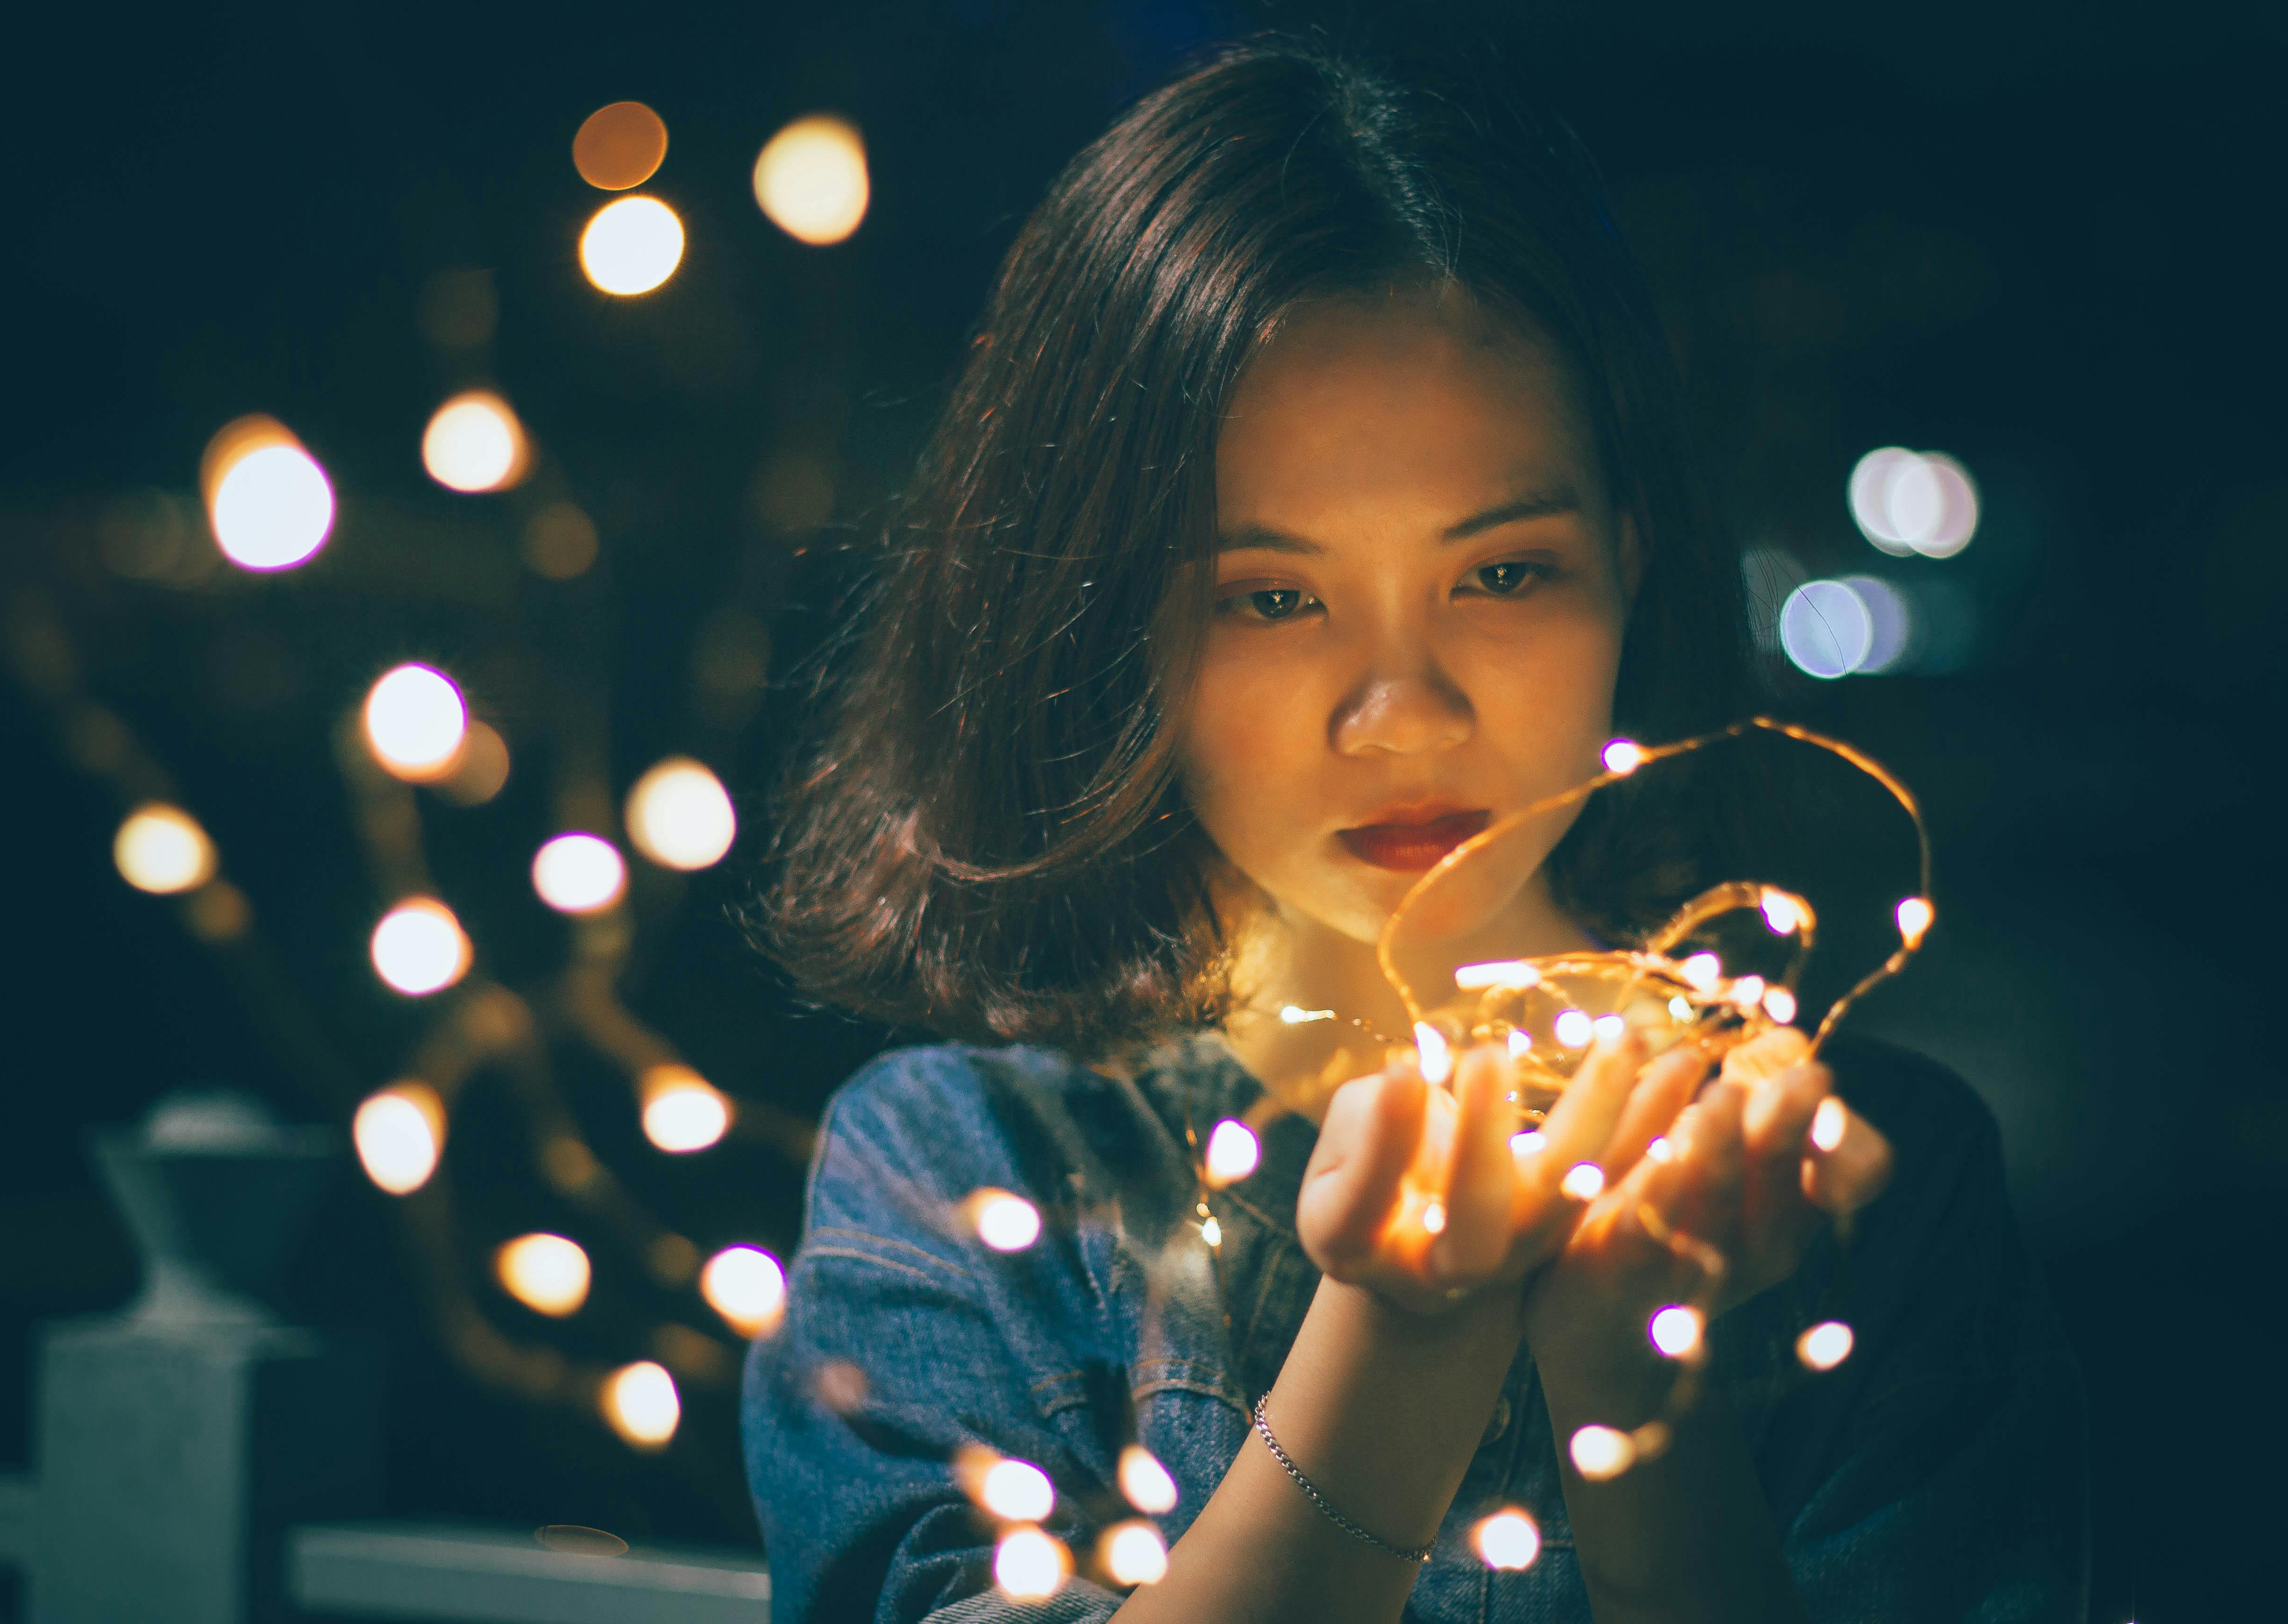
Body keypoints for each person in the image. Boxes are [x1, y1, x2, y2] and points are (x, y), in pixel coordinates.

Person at [742, 35, 2086, 1624]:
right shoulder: (970, 1179)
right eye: (1273, 596)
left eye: (1504, 573)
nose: (1401, 713)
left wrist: (1630, 1379)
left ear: (1629, 563)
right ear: (1110, 627)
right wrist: (1405, 1340)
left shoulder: (1871, 1192)